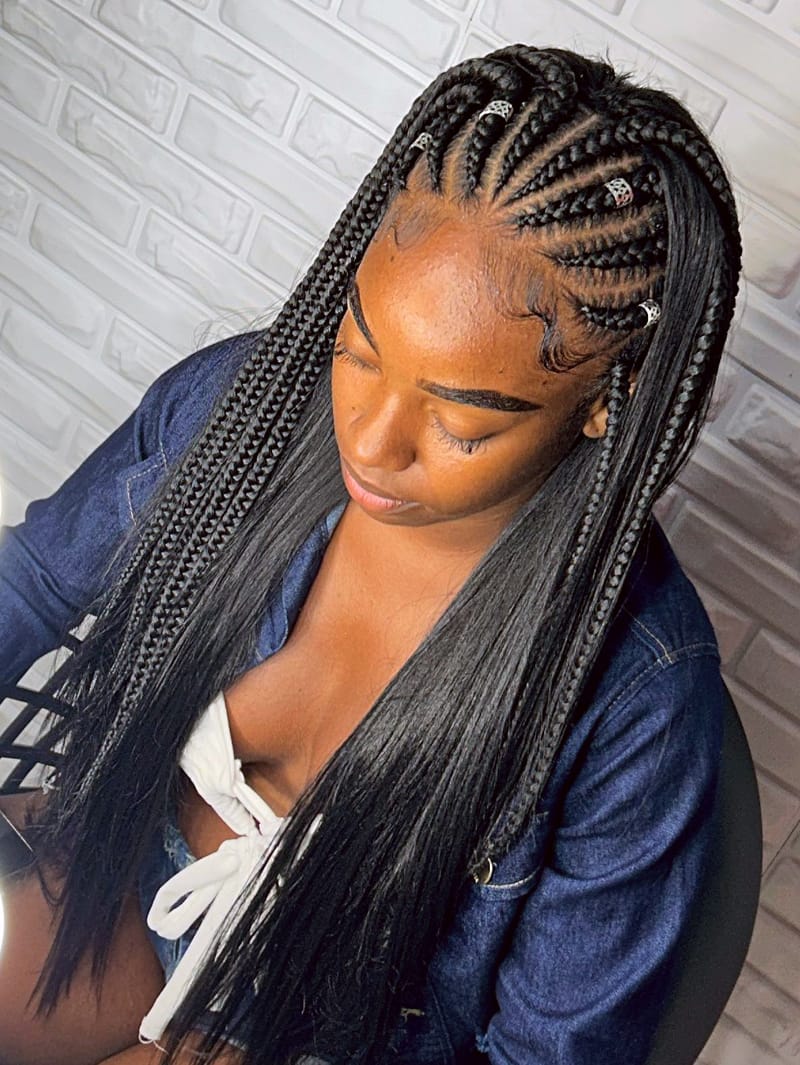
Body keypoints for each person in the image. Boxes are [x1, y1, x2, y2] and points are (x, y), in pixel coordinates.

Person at [0, 43, 741, 1065]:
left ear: (604, 408)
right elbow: (29, 581)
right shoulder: (243, 410)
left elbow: (546, 1054)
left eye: (462, 420)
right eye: (357, 349)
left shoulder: (639, 703)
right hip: (113, 868)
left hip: (307, 1034)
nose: (369, 439)